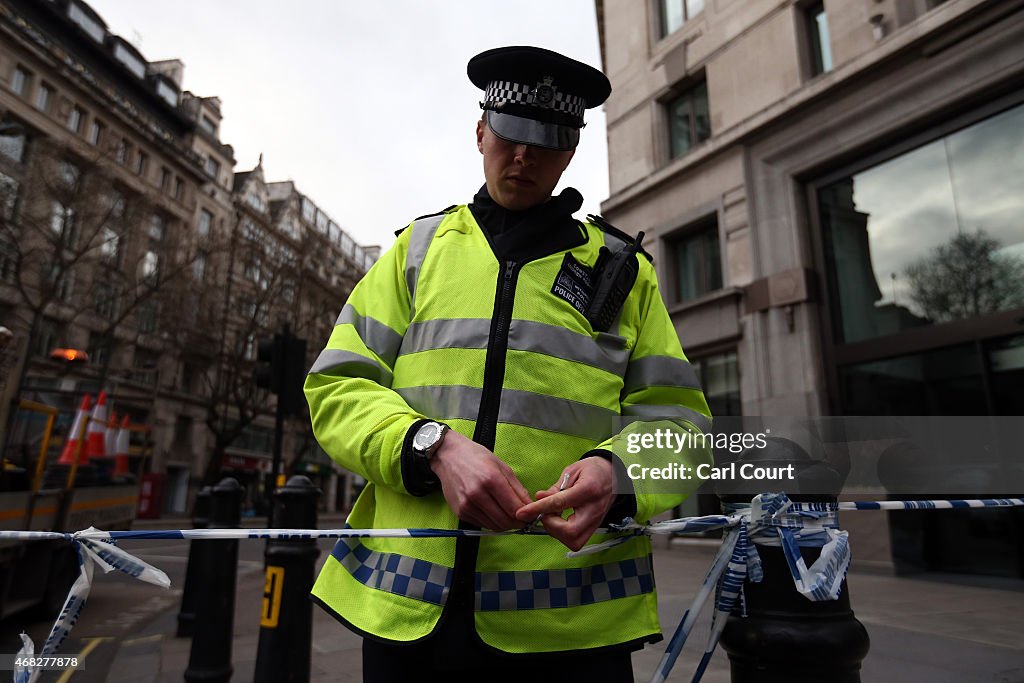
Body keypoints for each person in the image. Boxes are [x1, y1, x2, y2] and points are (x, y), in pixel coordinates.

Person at [305, 45, 712, 682]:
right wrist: (430, 447)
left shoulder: (624, 276)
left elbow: (683, 430)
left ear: (571, 150)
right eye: (510, 133)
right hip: (410, 615)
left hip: (572, 626)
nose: (523, 155)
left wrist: (618, 474)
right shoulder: (416, 253)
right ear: (480, 133)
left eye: (546, 139)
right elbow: (337, 387)